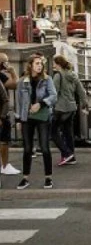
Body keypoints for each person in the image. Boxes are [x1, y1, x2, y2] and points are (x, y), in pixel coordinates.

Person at [16, 55, 58, 189]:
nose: (40, 66)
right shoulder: (22, 81)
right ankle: (25, 178)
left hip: (43, 116)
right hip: (27, 117)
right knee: (27, 149)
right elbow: (19, 101)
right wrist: (18, 119)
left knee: (45, 148)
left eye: (41, 63)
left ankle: (48, 178)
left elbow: (54, 96)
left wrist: (41, 104)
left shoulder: (47, 79)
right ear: (30, 65)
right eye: (37, 63)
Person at [51, 55, 88, 166]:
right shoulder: (73, 75)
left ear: (58, 64)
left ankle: (66, 153)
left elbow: (54, 93)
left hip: (60, 108)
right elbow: (81, 91)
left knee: (53, 131)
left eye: (54, 63)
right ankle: (71, 157)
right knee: (68, 132)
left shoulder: (58, 76)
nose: (53, 65)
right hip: (72, 108)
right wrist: (84, 103)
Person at [0, 53, 21, 175]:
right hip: (2, 114)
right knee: (4, 140)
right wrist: (13, 72)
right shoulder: (1, 76)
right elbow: (15, 84)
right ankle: (4, 165)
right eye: (5, 62)